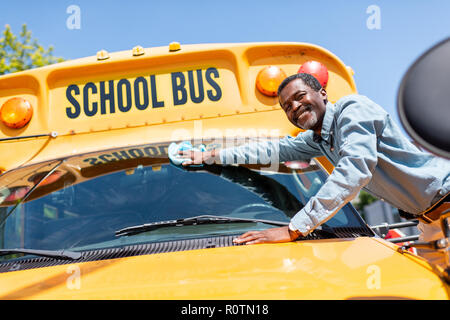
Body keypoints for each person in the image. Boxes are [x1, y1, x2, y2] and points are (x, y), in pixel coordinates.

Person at [179, 72, 450, 265]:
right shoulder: (319, 140)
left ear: (322, 93)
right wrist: (213, 155)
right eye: (287, 107)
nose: (295, 107)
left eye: (299, 97)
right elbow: (271, 151)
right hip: (428, 222)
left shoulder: (353, 110)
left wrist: (293, 229)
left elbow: (355, 169)